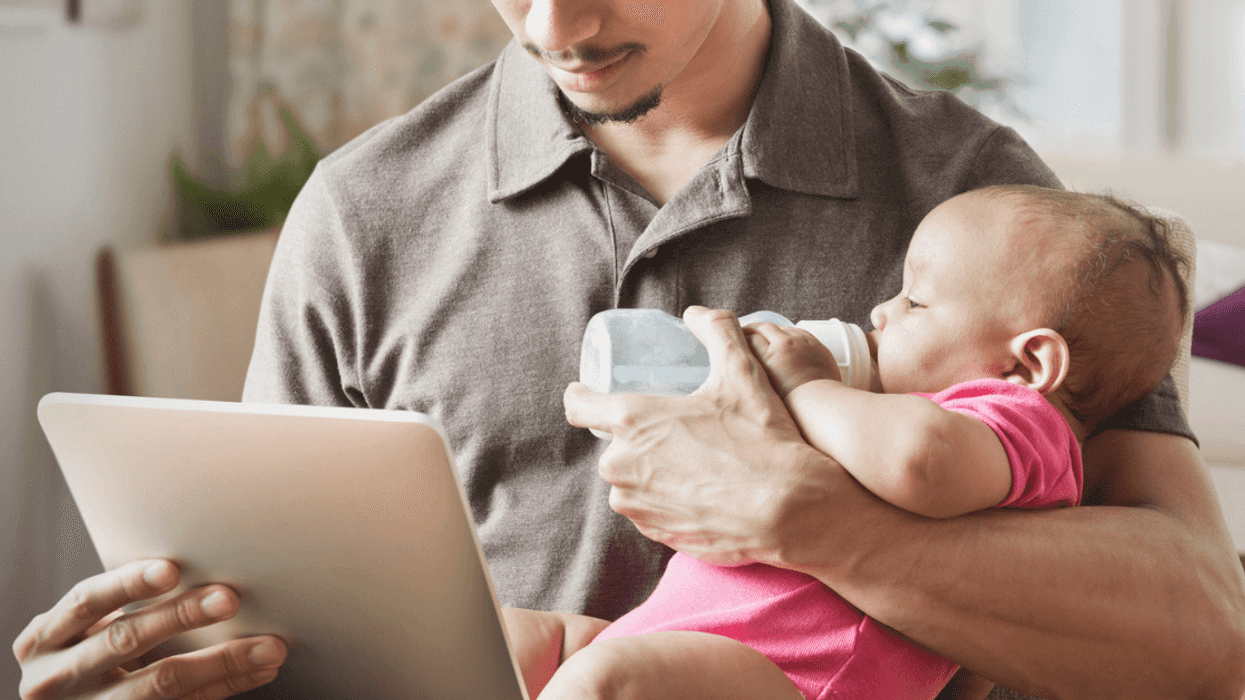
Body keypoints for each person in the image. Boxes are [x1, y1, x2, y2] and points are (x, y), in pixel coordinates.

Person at [14, 0, 1245, 698]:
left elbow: (1202, 631)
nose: (558, 21)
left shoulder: (980, 210)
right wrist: (174, 660)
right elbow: (279, 627)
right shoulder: (362, 211)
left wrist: (814, 523)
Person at [502, 184, 1188, 700]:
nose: (880, 313)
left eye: (916, 304)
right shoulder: (900, 414)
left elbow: (920, 462)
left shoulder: (1019, 425)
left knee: (608, 681)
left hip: (790, 678)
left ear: (1028, 364)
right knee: (508, 637)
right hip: (678, 643)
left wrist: (804, 387)